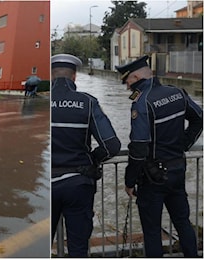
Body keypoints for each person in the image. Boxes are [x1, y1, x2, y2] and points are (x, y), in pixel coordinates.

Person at [115, 55, 202, 257]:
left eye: (126, 81)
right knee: (182, 222)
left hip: (153, 178)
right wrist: (183, 145)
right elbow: (199, 119)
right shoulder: (176, 92)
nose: (127, 87)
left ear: (135, 77)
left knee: (152, 231)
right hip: (177, 170)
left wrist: (129, 181)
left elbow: (138, 148)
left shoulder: (141, 103)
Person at [51, 54, 121, 257]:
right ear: (74, 77)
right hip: (78, 184)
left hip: (47, 185)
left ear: (51, 76)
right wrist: (92, 159)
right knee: (78, 247)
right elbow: (112, 145)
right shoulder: (88, 103)